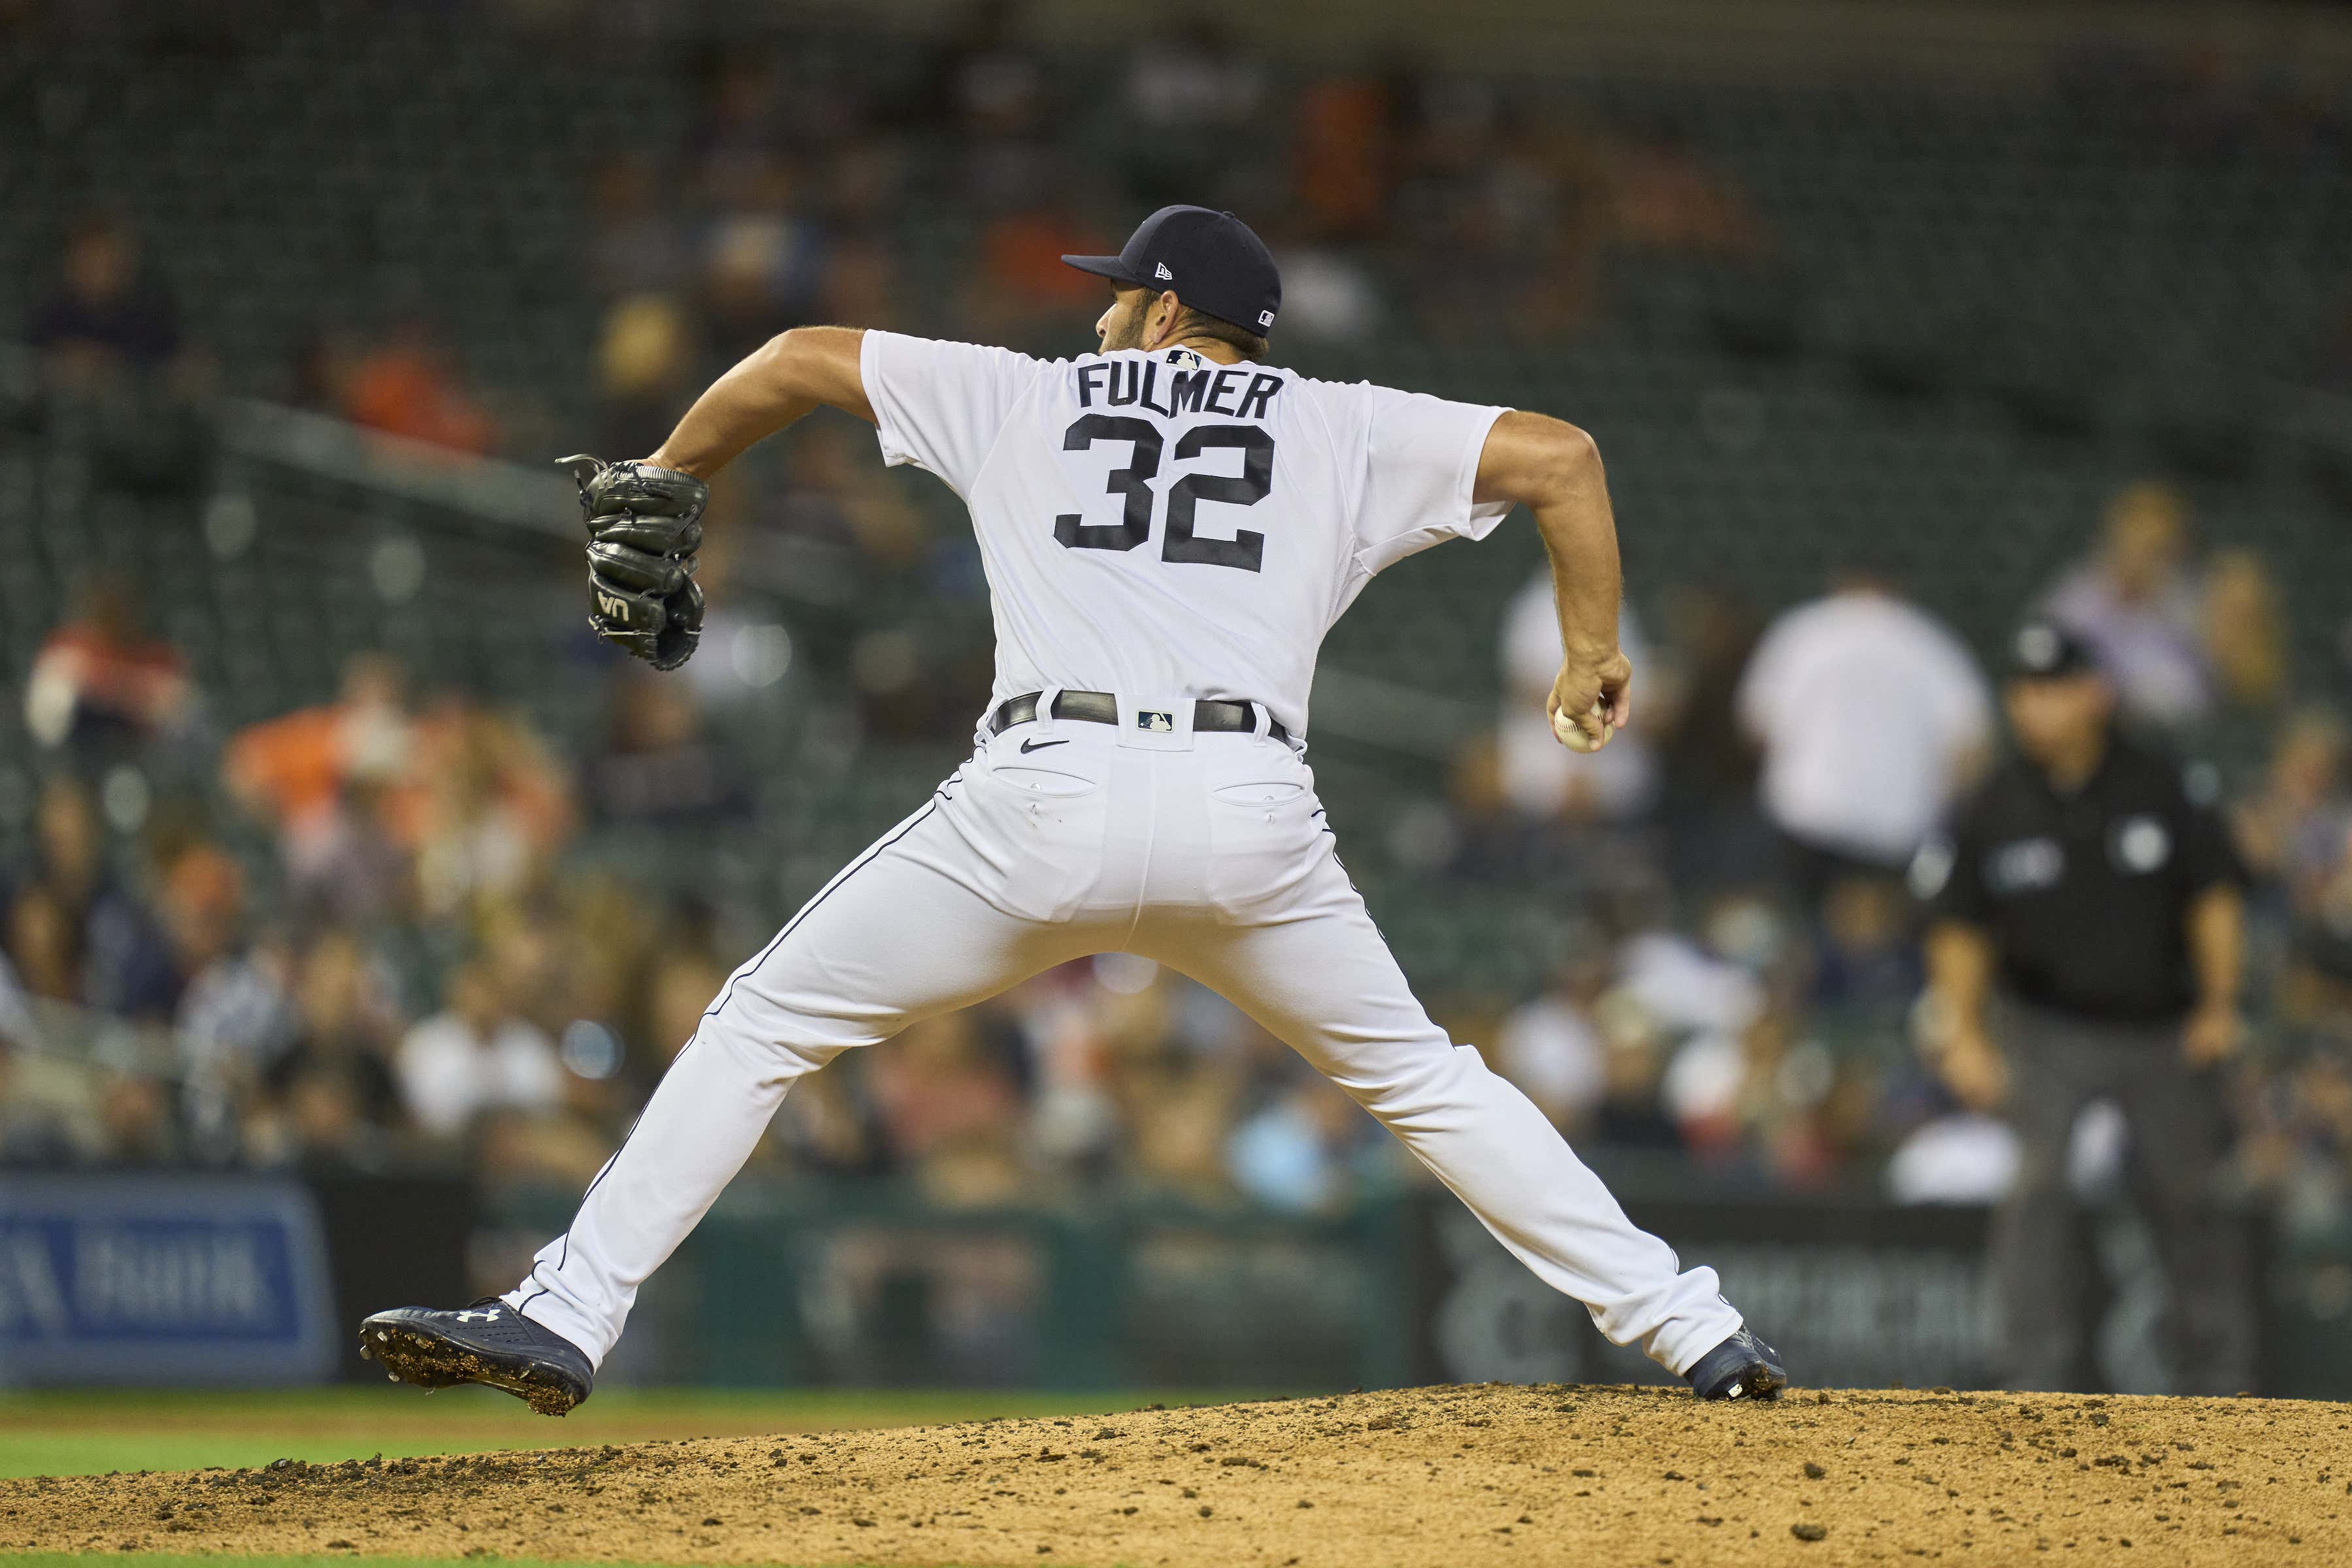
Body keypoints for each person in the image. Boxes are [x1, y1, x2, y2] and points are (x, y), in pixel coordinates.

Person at [360, 204, 1784, 1412]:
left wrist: (673, 472)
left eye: (1122, 297)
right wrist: (1593, 653)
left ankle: (569, 1310)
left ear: (1170, 313)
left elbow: (793, 360)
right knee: (1423, 1082)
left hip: (1044, 800)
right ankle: (1691, 1328)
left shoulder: (1025, 395)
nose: (1102, 317)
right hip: (1250, 813)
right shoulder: (1346, 426)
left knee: (764, 1022)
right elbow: (1563, 460)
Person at [1916, 620, 2254, 1393]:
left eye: (2053, 689)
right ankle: (2031, 1379)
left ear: (2095, 693)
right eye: (2024, 691)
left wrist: (2220, 1003)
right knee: (2038, 1192)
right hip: (2044, 1028)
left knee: (2190, 1197)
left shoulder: (2161, 784)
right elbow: (1958, 927)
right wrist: (1962, 1032)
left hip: (2161, 1028)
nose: (2034, 707)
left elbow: (2215, 897)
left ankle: (2222, 1385)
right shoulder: (1995, 802)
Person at [1736, 574, 1991, 903]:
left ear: (1839, 583)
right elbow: (1972, 750)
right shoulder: (1930, 640)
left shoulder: (1803, 631)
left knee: (1803, 935)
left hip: (1808, 818)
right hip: (1896, 830)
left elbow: (1756, 727)